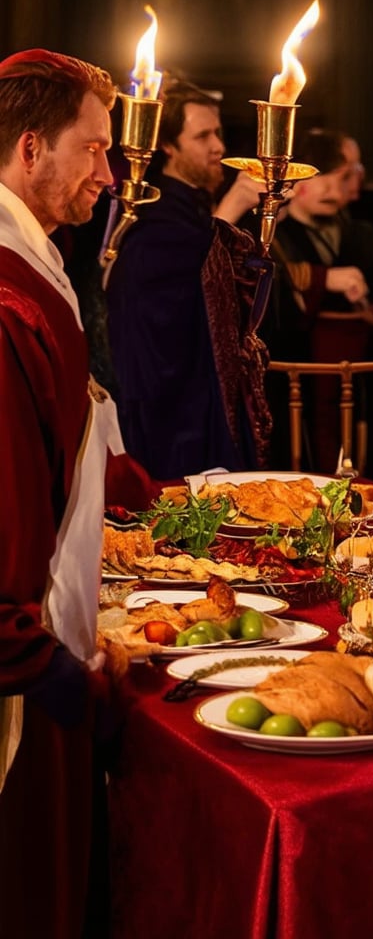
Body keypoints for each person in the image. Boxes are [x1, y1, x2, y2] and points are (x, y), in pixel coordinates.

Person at [0, 48, 159, 938]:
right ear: (31, 149)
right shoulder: (8, 302)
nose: (112, 171)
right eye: (94, 149)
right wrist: (58, 678)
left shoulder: (37, 266)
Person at [106, 78, 273, 481]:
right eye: (202, 136)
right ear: (168, 147)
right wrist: (228, 213)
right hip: (173, 414)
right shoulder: (153, 217)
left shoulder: (195, 211)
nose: (218, 146)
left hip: (205, 396)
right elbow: (164, 312)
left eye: (218, 133)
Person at [261, 127, 373, 473]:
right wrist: (322, 279)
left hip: (357, 372)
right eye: (323, 177)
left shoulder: (361, 233)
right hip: (299, 367)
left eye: (341, 177)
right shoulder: (276, 234)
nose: (333, 188)